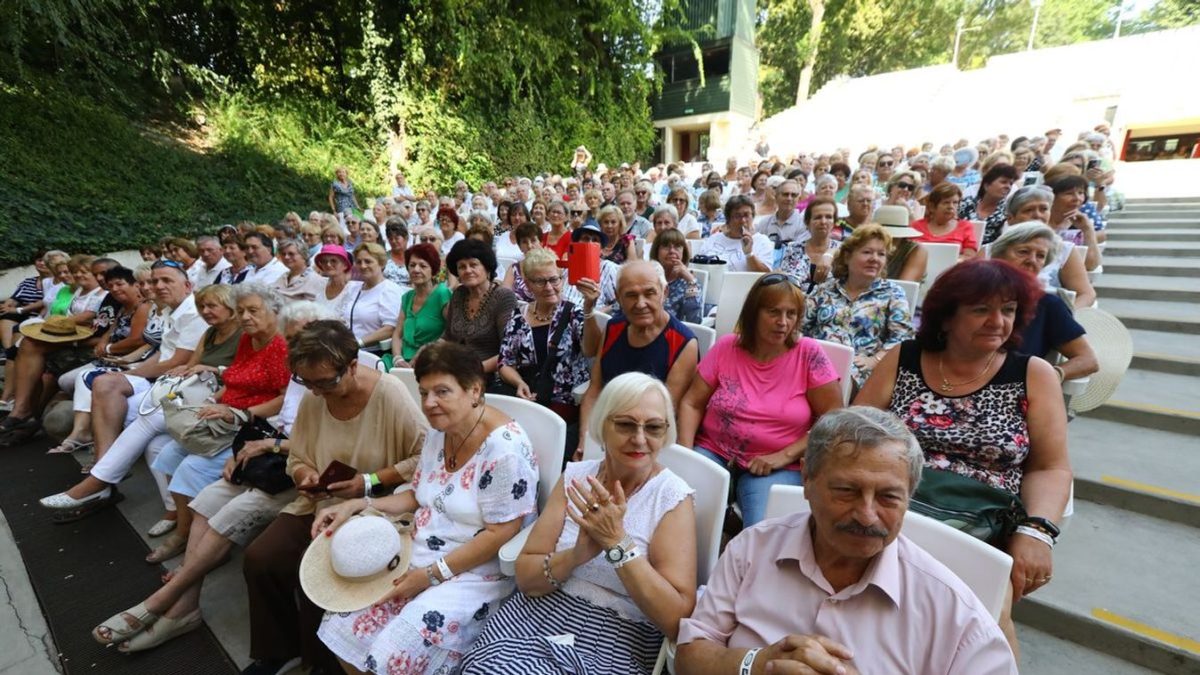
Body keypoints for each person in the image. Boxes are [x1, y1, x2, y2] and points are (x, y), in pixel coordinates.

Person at [675, 407, 1017, 675]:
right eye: (846, 491)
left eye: (888, 497)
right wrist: (757, 664)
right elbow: (691, 655)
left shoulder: (954, 613)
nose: (866, 515)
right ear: (807, 480)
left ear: (909, 497)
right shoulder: (752, 549)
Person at [854, 260, 1071, 654]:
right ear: (948, 315)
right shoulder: (904, 358)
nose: (998, 321)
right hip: (893, 504)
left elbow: (1050, 466)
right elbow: (855, 432)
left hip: (981, 517)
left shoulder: (1033, 373)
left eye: (1007, 310)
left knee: (987, 615)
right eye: (981, 309)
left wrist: (1037, 531)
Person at [310, 341, 537, 675]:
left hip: (473, 570)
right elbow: (418, 495)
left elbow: (502, 532)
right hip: (419, 547)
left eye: (442, 392)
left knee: (395, 650)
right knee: (341, 622)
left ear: (474, 390)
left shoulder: (504, 452)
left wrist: (430, 576)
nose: (430, 404)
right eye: (424, 392)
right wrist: (362, 504)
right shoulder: (440, 430)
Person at [461, 372, 697, 673]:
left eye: (653, 427)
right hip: (537, 612)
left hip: (616, 637)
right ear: (602, 424)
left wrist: (617, 544)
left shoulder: (670, 498)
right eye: (625, 424)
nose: (639, 439)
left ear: (666, 433)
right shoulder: (575, 477)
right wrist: (577, 555)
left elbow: (676, 620)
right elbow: (526, 578)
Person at [241, 320, 427, 675]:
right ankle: (279, 649)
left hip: (374, 509)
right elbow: (299, 454)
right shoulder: (316, 395)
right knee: (260, 558)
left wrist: (368, 482)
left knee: (321, 578)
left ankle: (321, 663)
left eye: (326, 382)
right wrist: (303, 475)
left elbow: (424, 458)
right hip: (322, 501)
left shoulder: (388, 395)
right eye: (306, 382)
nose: (316, 391)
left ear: (353, 366)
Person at [38, 260, 210, 515]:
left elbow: (177, 362)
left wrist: (130, 372)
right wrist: (127, 370)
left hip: (179, 385)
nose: (158, 286)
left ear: (187, 285)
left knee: (112, 389)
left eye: (166, 281)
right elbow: (162, 354)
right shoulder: (170, 310)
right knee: (103, 382)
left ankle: (100, 479)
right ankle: (102, 474)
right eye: (154, 281)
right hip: (165, 381)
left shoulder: (193, 312)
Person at [677, 274, 842, 527]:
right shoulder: (727, 346)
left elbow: (834, 417)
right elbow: (692, 402)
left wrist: (784, 455)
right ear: (754, 312)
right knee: (678, 509)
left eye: (791, 313)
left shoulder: (808, 354)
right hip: (714, 451)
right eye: (773, 312)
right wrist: (687, 456)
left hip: (777, 464)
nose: (783, 323)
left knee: (762, 533)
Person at [143, 284, 290, 564]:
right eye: (241, 311)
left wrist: (239, 413)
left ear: (274, 311)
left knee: (190, 467)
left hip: (252, 424)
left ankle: (188, 536)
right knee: (168, 454)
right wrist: (213, 399)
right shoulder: (249, 339)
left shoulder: (280, 345)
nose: (245, 317)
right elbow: (235, 378)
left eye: (253, 310)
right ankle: (186, 524)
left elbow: (284, 399)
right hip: (225, 414)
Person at [579, 261, 697, 452]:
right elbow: (594, 390)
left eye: (649, 293)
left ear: (664, 293)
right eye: (631, 295)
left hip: (644, 440)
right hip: (602, 428)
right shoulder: (613, 329)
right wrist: (585, 439)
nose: (641, 304)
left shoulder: (683, 344)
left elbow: (662, 414)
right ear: (618, 297)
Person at [49, 266, 151, 455]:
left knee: (83, 378)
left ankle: (82, 432)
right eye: (111, 286)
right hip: (110, 358)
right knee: (65, 379)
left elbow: (137, 340)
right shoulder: (123, 307)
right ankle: (82, 430)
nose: (115, 289)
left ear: (135, 286)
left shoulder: (143, 307)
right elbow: (111, 330)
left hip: (127, 360)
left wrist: (109, 348)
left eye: (120, 284)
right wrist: (102, 343)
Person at [496, 248, 589, 456]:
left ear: (561, 279)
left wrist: (590, 307)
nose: (549, 287)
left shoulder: (574, 313)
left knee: (539, 451)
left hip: (563, 404)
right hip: (526, 399)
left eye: (553, 280)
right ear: (528, 285)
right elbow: (505, 362)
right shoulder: (520, 315)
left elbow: (591, 348)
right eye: (540, 281)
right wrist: (519, 383)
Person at [804, 225, 914, 389]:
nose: (875, 258)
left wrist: (875, 360)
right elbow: (800, 326)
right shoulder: (826, 289)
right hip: (817, 365)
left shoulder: (892, 294)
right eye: (867, 252)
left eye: (881, 254)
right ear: (847, 257)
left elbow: (903, 339)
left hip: (862, 374)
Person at [989, 224, 1098, 381]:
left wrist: (1049, 376)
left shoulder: (1048, 305)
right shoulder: (973, 294)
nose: (1031, 260)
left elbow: (1088, 360)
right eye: (1023, 252)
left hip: (1009, 391)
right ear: (999, 255)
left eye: (1040, 256)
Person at [1003, 186, 1096, 307]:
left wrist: (1065, 317)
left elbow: (1086, 294)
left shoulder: (1064, 250)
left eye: (1043, 209)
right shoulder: (991, 250)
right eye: (1028, 210)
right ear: (1010, 218)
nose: (1037, 215)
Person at [442, 239, 519, 373]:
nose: (468, 270)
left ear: (487, 268)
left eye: (474, 264)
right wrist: (427, 351)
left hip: (491, 375)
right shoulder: (458, 295)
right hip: (455, 370)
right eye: (462, 267)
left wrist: (473, 370)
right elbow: (448, 338)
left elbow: (509, 350)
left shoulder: (503, 297)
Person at [390, 243, 451, 369]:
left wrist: (428, 352)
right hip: (402, 360)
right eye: (412, 265)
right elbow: (398, 334)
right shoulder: (407, 297)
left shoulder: (442, 294)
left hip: (432, 359)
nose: (416, 270)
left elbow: (451, 331)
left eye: (423, 266)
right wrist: (397, 359)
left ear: (433, 270)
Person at [344, 243, 403, 355]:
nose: (363, 266)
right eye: (359, 262)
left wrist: (359, 343)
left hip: (374, 353)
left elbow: (390, 328)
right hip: (349, 351)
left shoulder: (389, 290)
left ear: (381, 263)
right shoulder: (354, 288)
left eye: (368, 261)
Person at [777, 196, 839, 291]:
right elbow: (785, 284)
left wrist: (830, 253)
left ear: (834, 222)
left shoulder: (843, 251)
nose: (823, 221)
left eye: (828, 217)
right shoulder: (793, 249)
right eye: (818, 217)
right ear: (807, 222)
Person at [697, 195, 773, 273]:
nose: (743, 220)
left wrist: (749, 254)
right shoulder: (713, 239)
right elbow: (698, 266)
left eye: (746, 215)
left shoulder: (761, 241)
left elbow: (765, 274)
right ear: (728, 219)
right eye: (737, 216)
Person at [912, 182, 978, 260]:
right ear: (932, 206)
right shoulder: (916, 226)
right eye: (946, 202)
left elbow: (970, 257)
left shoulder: (965, 227)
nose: (951, 207)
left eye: (955, 203)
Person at [650, 229, 702, 324]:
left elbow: (694, 320)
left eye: (677, 246)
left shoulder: (689, 282)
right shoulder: (648, 276)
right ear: (657, 251)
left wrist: (690, 281)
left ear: (683, 252)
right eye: (666, 246)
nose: (671, 251)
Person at [960, 164, 1019, 245]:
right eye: (1003, 182)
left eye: (1011, 184)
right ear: (987, 185)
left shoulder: (1007, 213)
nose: (1008, 186)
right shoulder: (965, 204)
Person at [501, 223, 544, 302]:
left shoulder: (550, 267)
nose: (530, 245)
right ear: (520, 247)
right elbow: (504, 296)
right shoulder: (514, 268)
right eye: (524, 242)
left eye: (533, 240)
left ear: (541, 242)